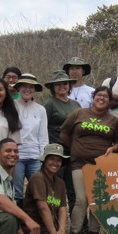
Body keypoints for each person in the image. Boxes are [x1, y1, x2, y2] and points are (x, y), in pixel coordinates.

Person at [60, 86, 118, 234]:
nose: (101, 98)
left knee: (97, 200)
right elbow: (64, 133)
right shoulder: (79, 113)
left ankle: (94, 233)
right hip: (79, 163)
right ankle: (75, 233)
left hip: (101, 165)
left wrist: (113, 149)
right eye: (99, 95)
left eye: (105, 96)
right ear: (93, 98)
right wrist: (74, 147)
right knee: (81, 199)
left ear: (110, 101)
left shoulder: (113, 120)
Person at [22, 144, 70, 234]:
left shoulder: (60, 182)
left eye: (58, 160)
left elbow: (63, 209)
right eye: (52, 159)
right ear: (44, 160)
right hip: (35, 229)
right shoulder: (38, 178)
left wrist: (61, 231)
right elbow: (43, 208)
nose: (55, 163)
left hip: (50, 229)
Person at [43, 70, 81, 214]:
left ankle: (78, 228)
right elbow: (42, 127)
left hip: (72, 153)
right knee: (54, 191)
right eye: (58, 84)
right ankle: (52, 223)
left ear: (69, 85)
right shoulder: (49, 104)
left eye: (64, 83)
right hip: (55, 154)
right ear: (53, 87)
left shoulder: (76, 104)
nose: (62, 87)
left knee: (74, 191)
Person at [13, 73, 48, 206]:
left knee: (38, 191)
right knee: (16, 192)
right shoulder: (12, 106)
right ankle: (18, 223)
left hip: (35, 156)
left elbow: (43, 136)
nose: (27, 90)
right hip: (16, 156)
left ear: (35, 89)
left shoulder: (40, 110)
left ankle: (35, 219)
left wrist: (43, 157)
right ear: (19, 88)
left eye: (31, 87)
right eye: (24, 86)